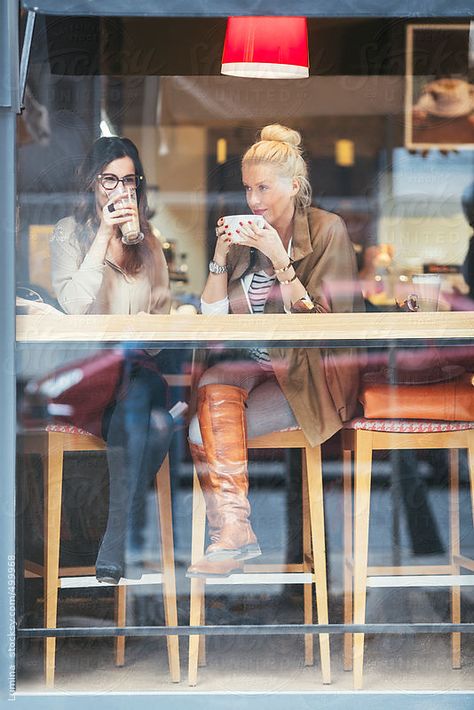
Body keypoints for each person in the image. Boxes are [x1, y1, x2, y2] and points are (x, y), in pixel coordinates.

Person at [187, 124, 363, 577]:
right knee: (210, 382)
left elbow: (331, 330)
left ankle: (234, 533)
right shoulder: (249, 234)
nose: (254, 200)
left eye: (264, 187)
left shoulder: (327, 230)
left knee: (198, 430)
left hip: (306, 375)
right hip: (252, 365)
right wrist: (220, 257)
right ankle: (235, 532)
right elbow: (213, 321)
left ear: (295, 187)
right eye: (248, 188)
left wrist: (280, 259)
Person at [50, 136, 173, 584]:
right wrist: (103, 234)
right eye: (110, 180)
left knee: (140, 389)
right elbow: (74, 309)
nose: (121, 191)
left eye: (129, 181)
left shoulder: (150, 245)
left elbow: (161, 330)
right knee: (157, 425)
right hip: (90, 375)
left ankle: (113, 540)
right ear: (92, 183)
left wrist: (148, 324)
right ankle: (120, 536)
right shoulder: (70, 232)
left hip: (137, 373)